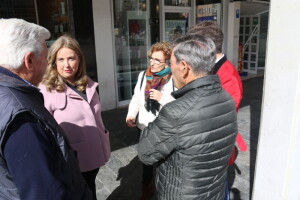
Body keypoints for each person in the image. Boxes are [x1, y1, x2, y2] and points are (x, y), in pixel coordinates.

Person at [0, 19, 92, 199]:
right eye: (46, 56)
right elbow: (43, 193)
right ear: (29, 60)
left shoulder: (11, 96)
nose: (49, 63)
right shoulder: (22, 119)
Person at [138, 35, 238, 200]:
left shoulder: (175, 112)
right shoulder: (227, 99)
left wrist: (154, 123)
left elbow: (145, 153)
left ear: (184, 67)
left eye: (171, 63)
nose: (170, 68)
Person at [39, 35, 110, 200]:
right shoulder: (45, 89)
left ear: (79, 59)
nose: (66, 65)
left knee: (90, 189)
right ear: (53, 61)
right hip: (72, 162)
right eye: (61, 59)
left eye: (71, 58)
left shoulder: (88, 83)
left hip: (95, 154)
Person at [187, 22, 245, 199]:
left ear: (205, 47)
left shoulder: (229, 77)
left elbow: (217, 118)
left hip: (213, 149)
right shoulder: (209, 68)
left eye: (193, 46)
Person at [126, 42, 174, 200]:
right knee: (146, 161)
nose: (152, 63)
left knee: (164, 163)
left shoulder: (173, 79)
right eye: (151, 59)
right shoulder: (142, 76)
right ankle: (146, 187)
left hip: (163, 128)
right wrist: (131, 114)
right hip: (144, 127)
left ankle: (164, 190)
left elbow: (179, 106)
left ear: (167, 62)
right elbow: (136, 99)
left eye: (157, 60)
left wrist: (162, 98)